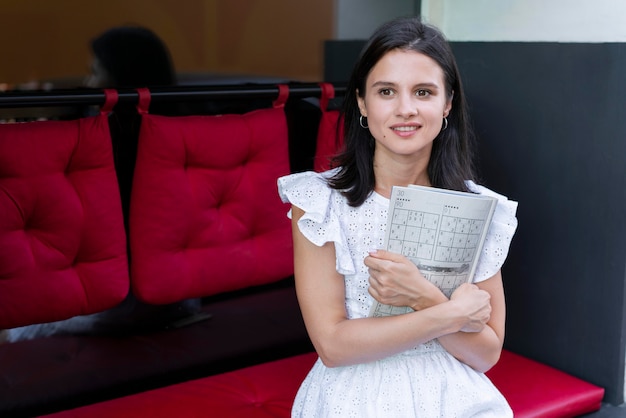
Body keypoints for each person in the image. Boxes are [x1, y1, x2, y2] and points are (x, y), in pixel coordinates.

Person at [278, 16, 518, 417]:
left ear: (447, 104)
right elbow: (333, 346)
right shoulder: (321, 202)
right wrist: (452, 313)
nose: (405, 109)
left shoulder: (477, 207)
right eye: (386, 91)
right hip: (354, 395)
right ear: (361, 102)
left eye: (423, 92)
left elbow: (486, 354)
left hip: (455, 396)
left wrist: (421, 296)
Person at [5, 26, 202, 343]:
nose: (88, 85)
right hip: (185, 296)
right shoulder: (176, 135)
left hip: (128, 305)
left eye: (94, 73)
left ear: (120, 80)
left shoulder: (110, 149)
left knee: (11, 328)